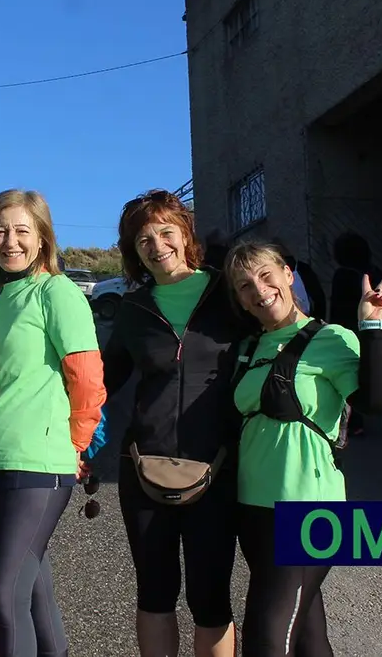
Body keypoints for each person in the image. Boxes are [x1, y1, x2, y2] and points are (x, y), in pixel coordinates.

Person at [223, 239, 382, 657]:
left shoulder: (330, 338)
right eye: (245, 286)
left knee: (267, 637)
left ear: (288, 274)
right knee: (306, 635)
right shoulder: (248, 349)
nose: (259, 290)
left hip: (308, 509)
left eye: (266, 275)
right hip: (254, 510)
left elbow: (378, 403)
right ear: (241, 301)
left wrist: (371, 328)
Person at [102, 191, 245, 657]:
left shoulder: (228, 293)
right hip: (143, 467)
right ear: (133, 250)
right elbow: (102, 381)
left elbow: (278, 337)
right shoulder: (134, 308)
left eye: (166, 231)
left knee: (210, 599)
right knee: (155, 594)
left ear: (186, 235)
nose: (156, 243)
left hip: (218, 467)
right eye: (143, 238)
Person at [0, 189, 105, 657]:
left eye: (22, 230)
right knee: (33, 583)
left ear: (43, 237)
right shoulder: (3, 299)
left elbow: (87, 376)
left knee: (5, 596)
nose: (10, 241)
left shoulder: (57, 292)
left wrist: (77, 444)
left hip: (40, 462)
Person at [328, 231, 382, 439]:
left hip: (353, 335)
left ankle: (355, 424)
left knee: (351, 379)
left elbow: (338, 310)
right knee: (381, 375)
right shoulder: (377, 273)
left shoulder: (344, 275)